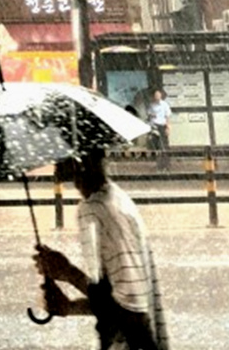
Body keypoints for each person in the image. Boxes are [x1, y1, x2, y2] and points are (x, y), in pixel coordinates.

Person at [33, 149, 169, 350]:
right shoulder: (109, 199)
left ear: (79, 159)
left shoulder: (101, 210)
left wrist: (69, 273)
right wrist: (70, 306)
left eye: (60, 150)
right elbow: (120, 301)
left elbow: (135, 317)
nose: (52, 158)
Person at [145, 89, 171, 170]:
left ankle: (165, 165)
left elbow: (167, 117)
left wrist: (168, 128)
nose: (157, 96)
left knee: (164, 146)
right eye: (155, 95)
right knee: (155, 147)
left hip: (162, 126)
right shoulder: (151, 105)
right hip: (154, 127)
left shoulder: (165, 105)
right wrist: (151, 116)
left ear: (161, 96)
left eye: (158, 95)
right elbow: (148, 115)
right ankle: (157, 165)